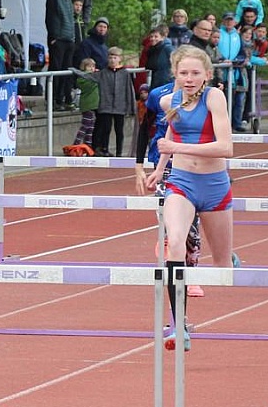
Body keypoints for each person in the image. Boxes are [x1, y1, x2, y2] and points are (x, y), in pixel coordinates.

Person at [142, 45, 236, 341]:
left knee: (222, 268)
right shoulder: (168, 100)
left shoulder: (214, 97)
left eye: (195, 73)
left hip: (214, 185)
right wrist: (160, 168)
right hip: (181, 183)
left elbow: (226, 147)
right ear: (175, 74)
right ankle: (178, 323)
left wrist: (176, 148)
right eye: (183, 73)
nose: (189, 78)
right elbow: (174, 129)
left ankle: (228, 255)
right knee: (175, 244)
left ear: (207, 74)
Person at [94, 47, 136, 157]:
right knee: (106, 129)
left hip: (120, 106)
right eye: (110, 57)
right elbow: (89, 76)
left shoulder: (124, 73)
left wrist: (130, 107)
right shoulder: (103, 73)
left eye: (115, 57)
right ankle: (104, 149)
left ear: (120, 59)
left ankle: (119, 152)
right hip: (106, 105)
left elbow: (129, 90)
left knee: (119, 130)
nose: (112, 60)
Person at [44, 0, 76, 82]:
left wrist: (73, 38)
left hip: (69, 40)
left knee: (66, 71)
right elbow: (49, 19)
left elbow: (70, 19)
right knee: (55, 69)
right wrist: (53, 37)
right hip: (58, 40)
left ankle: (63, 92)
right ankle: (52, 92)